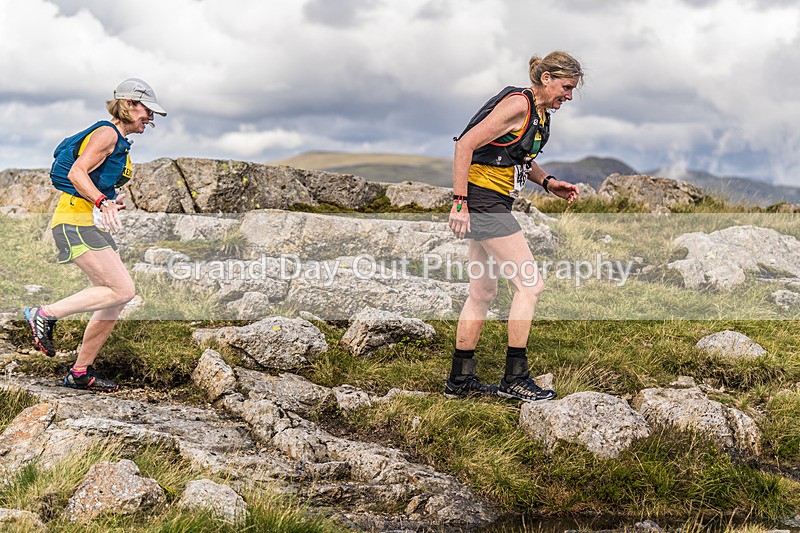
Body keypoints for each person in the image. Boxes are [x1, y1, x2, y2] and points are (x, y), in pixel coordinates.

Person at [444, 51, 582, 401]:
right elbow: (465, 145)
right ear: (547, 77)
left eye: (572, 90)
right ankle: (515, 377)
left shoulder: (538, 112)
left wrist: (549, 183)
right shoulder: (518, 104)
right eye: (565, 87)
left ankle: (459, 382)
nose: (567, 96)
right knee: (530, 285)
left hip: (492, 200)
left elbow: (519, 156)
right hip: (484, 200)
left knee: (483, 293)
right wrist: (460, 203)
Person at [23, 78, 167, 392]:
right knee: (122, 290)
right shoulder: (107, 132)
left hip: (88, 220)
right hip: (74, 221)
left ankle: (80, 372)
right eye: (148, 110)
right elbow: (76, 172)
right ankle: (43, 315)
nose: (151, 118)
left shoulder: (119, 141)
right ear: (129, 104)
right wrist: (101, 201)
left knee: (113, 299)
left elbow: (92, 179)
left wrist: (109, 201)